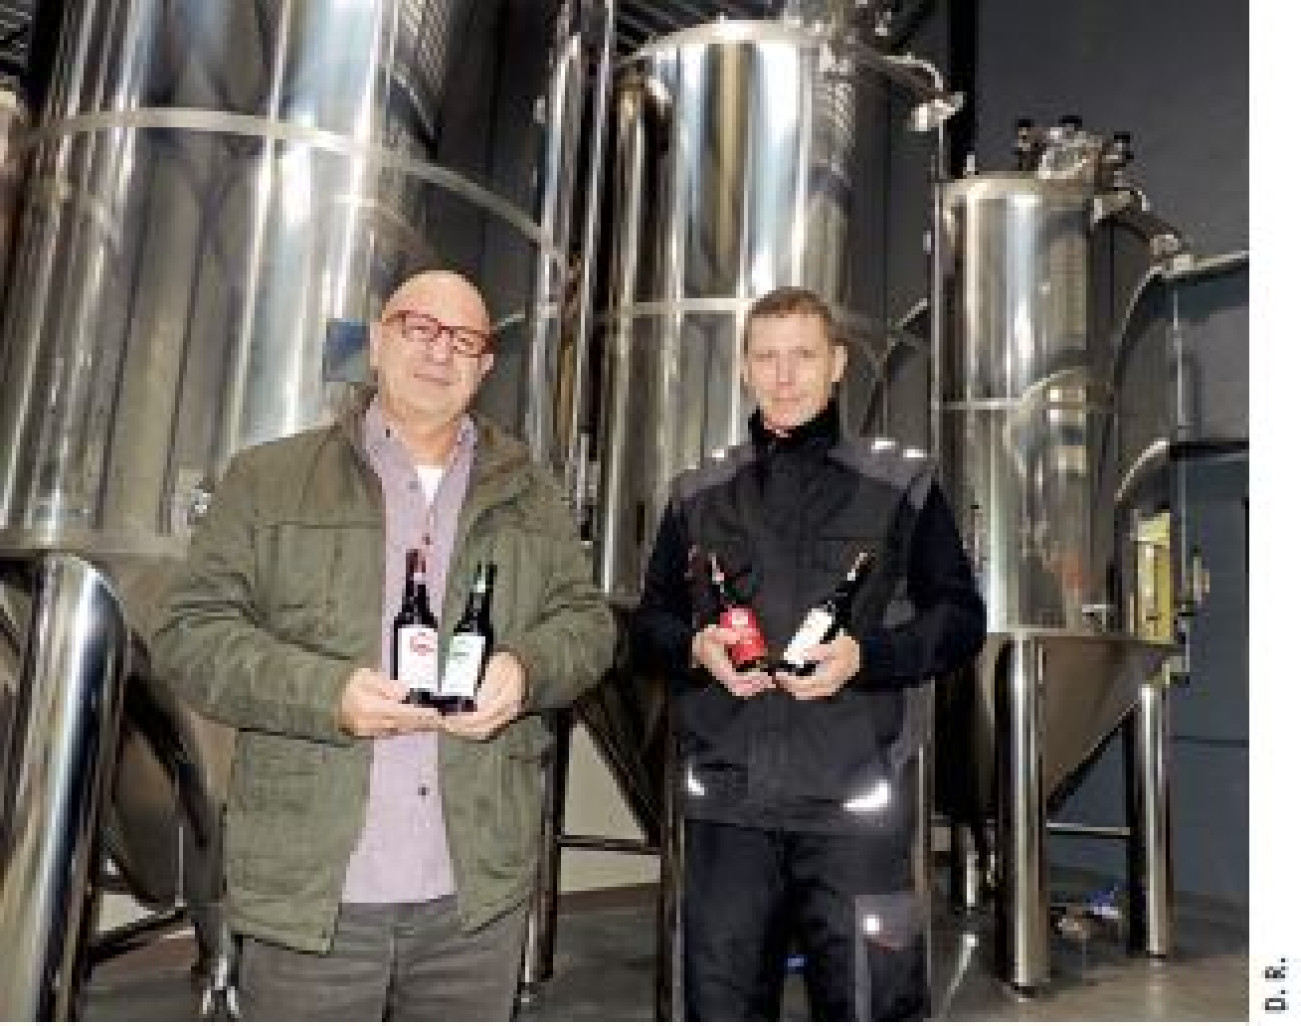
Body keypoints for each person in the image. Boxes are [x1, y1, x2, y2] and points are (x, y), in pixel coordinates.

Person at [150, 270, 615, 1020]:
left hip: (475, 896)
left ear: (486, 365)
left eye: (464, 340)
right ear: (376, 341)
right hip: (314, 895)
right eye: (418, 328)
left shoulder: (532, 490)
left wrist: (525, 672)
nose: (440, 352)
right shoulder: (268, 478)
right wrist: (325, 693)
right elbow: (189, 633)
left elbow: (588, 625)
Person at [632, 285, 985, 1021]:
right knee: (719, 1009)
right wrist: (696, 647)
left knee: (871, 1006)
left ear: (836, 366)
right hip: (727, 809)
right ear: (743, 370)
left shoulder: (899, 483)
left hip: (855, 811)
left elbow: (958, 617)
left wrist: (869, 657)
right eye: (766, 357)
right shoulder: (697, 493)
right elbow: (648, 625)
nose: (783, 375)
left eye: (801, 356)